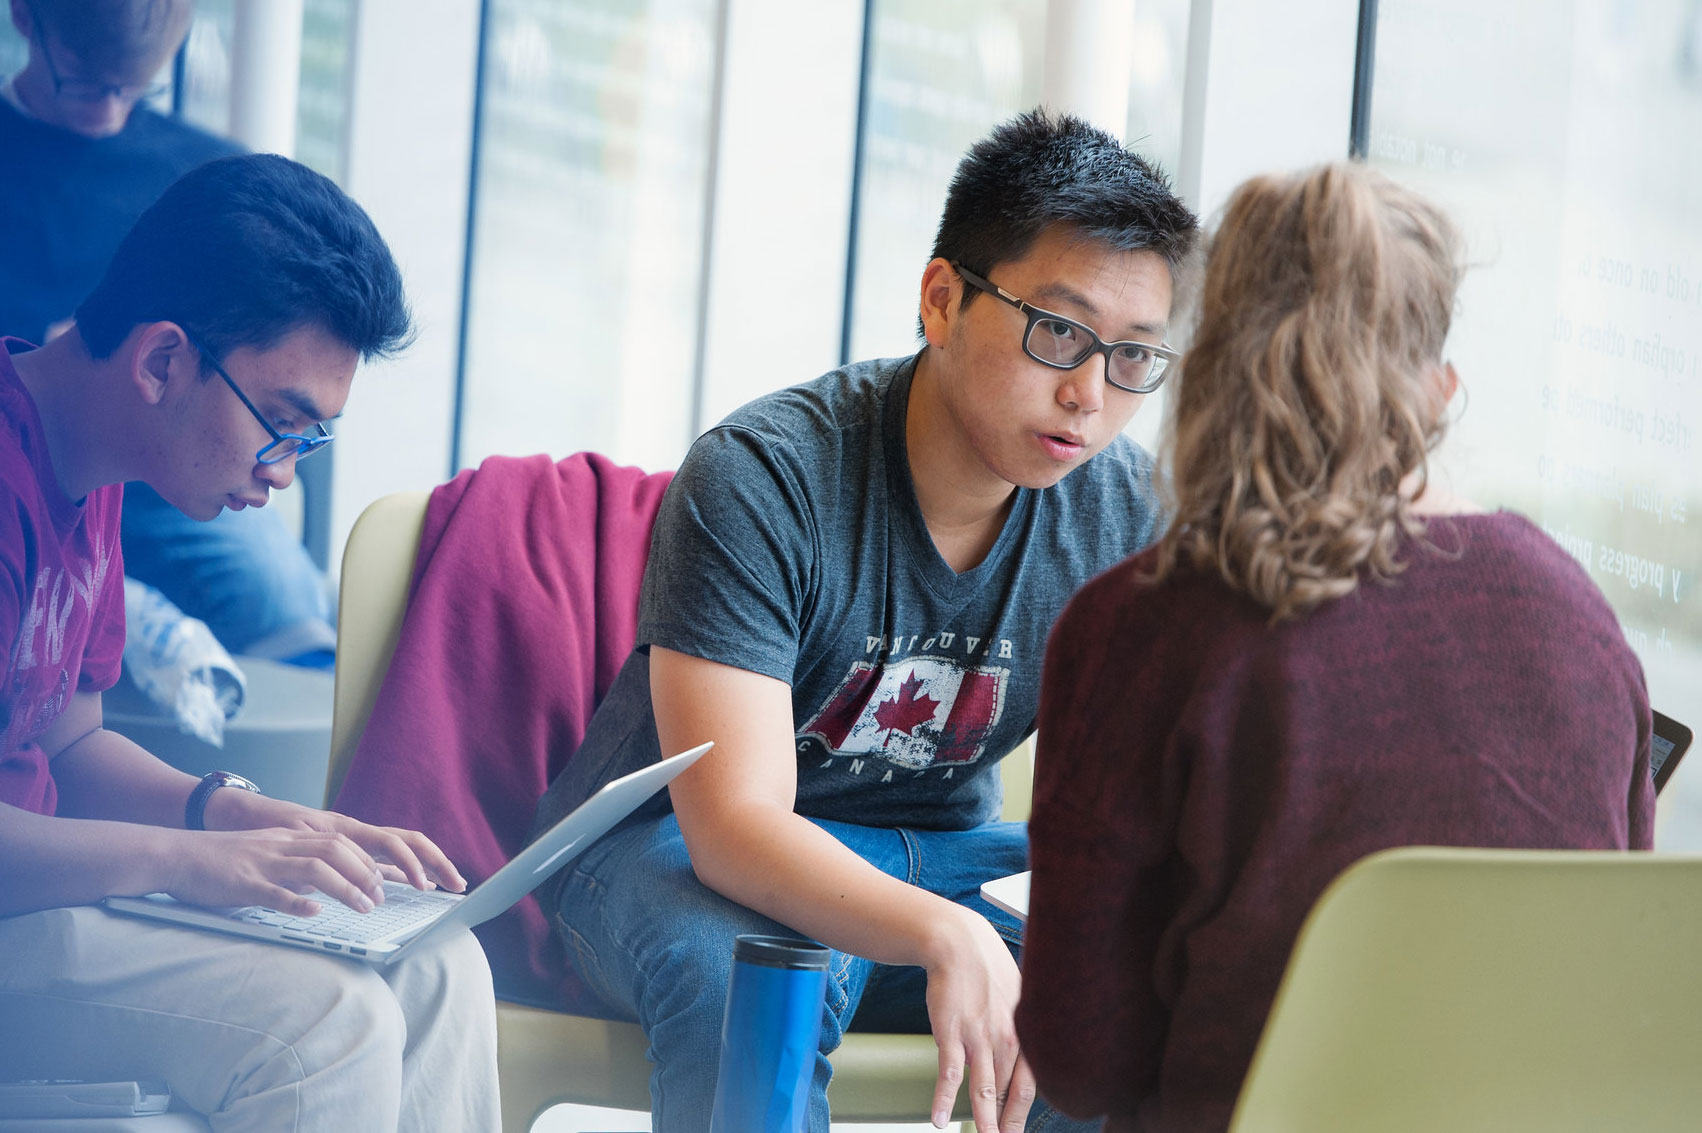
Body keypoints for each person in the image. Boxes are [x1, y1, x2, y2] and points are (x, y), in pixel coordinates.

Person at [534, 108, 1199, 1132]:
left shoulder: (1123, 516)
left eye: (1132, 357)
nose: (1087, 392)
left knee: (1144, 967)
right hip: (669, 853)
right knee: (750, 976)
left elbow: (1128, 808)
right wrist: (941, 931)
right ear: (941, 299)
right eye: (1058, 331)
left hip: (941, 851)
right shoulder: (763, 476)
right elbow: (734, 827)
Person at [1015, 162, 1654, 1133]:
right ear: (1438, 391)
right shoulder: (1577, 615)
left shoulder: (1139, 628)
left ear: (1214, 368)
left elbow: (1082, 1062)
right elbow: (1607, 979)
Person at [0, 153, 500, 1130]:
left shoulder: (91, 469)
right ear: (160, 361)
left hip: (40, 907)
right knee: (326, 1022)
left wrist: (238, 817)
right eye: (281, 423)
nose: (283, 474)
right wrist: (182, 860)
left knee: (435, 958)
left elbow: (66, 744)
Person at [1, 0, 337, 665]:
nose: (107, 110)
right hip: (49, 445)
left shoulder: (205, 181)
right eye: (86, 80)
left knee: (288, 600)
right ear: (23, 19)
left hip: (166, 479)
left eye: (134, 88)